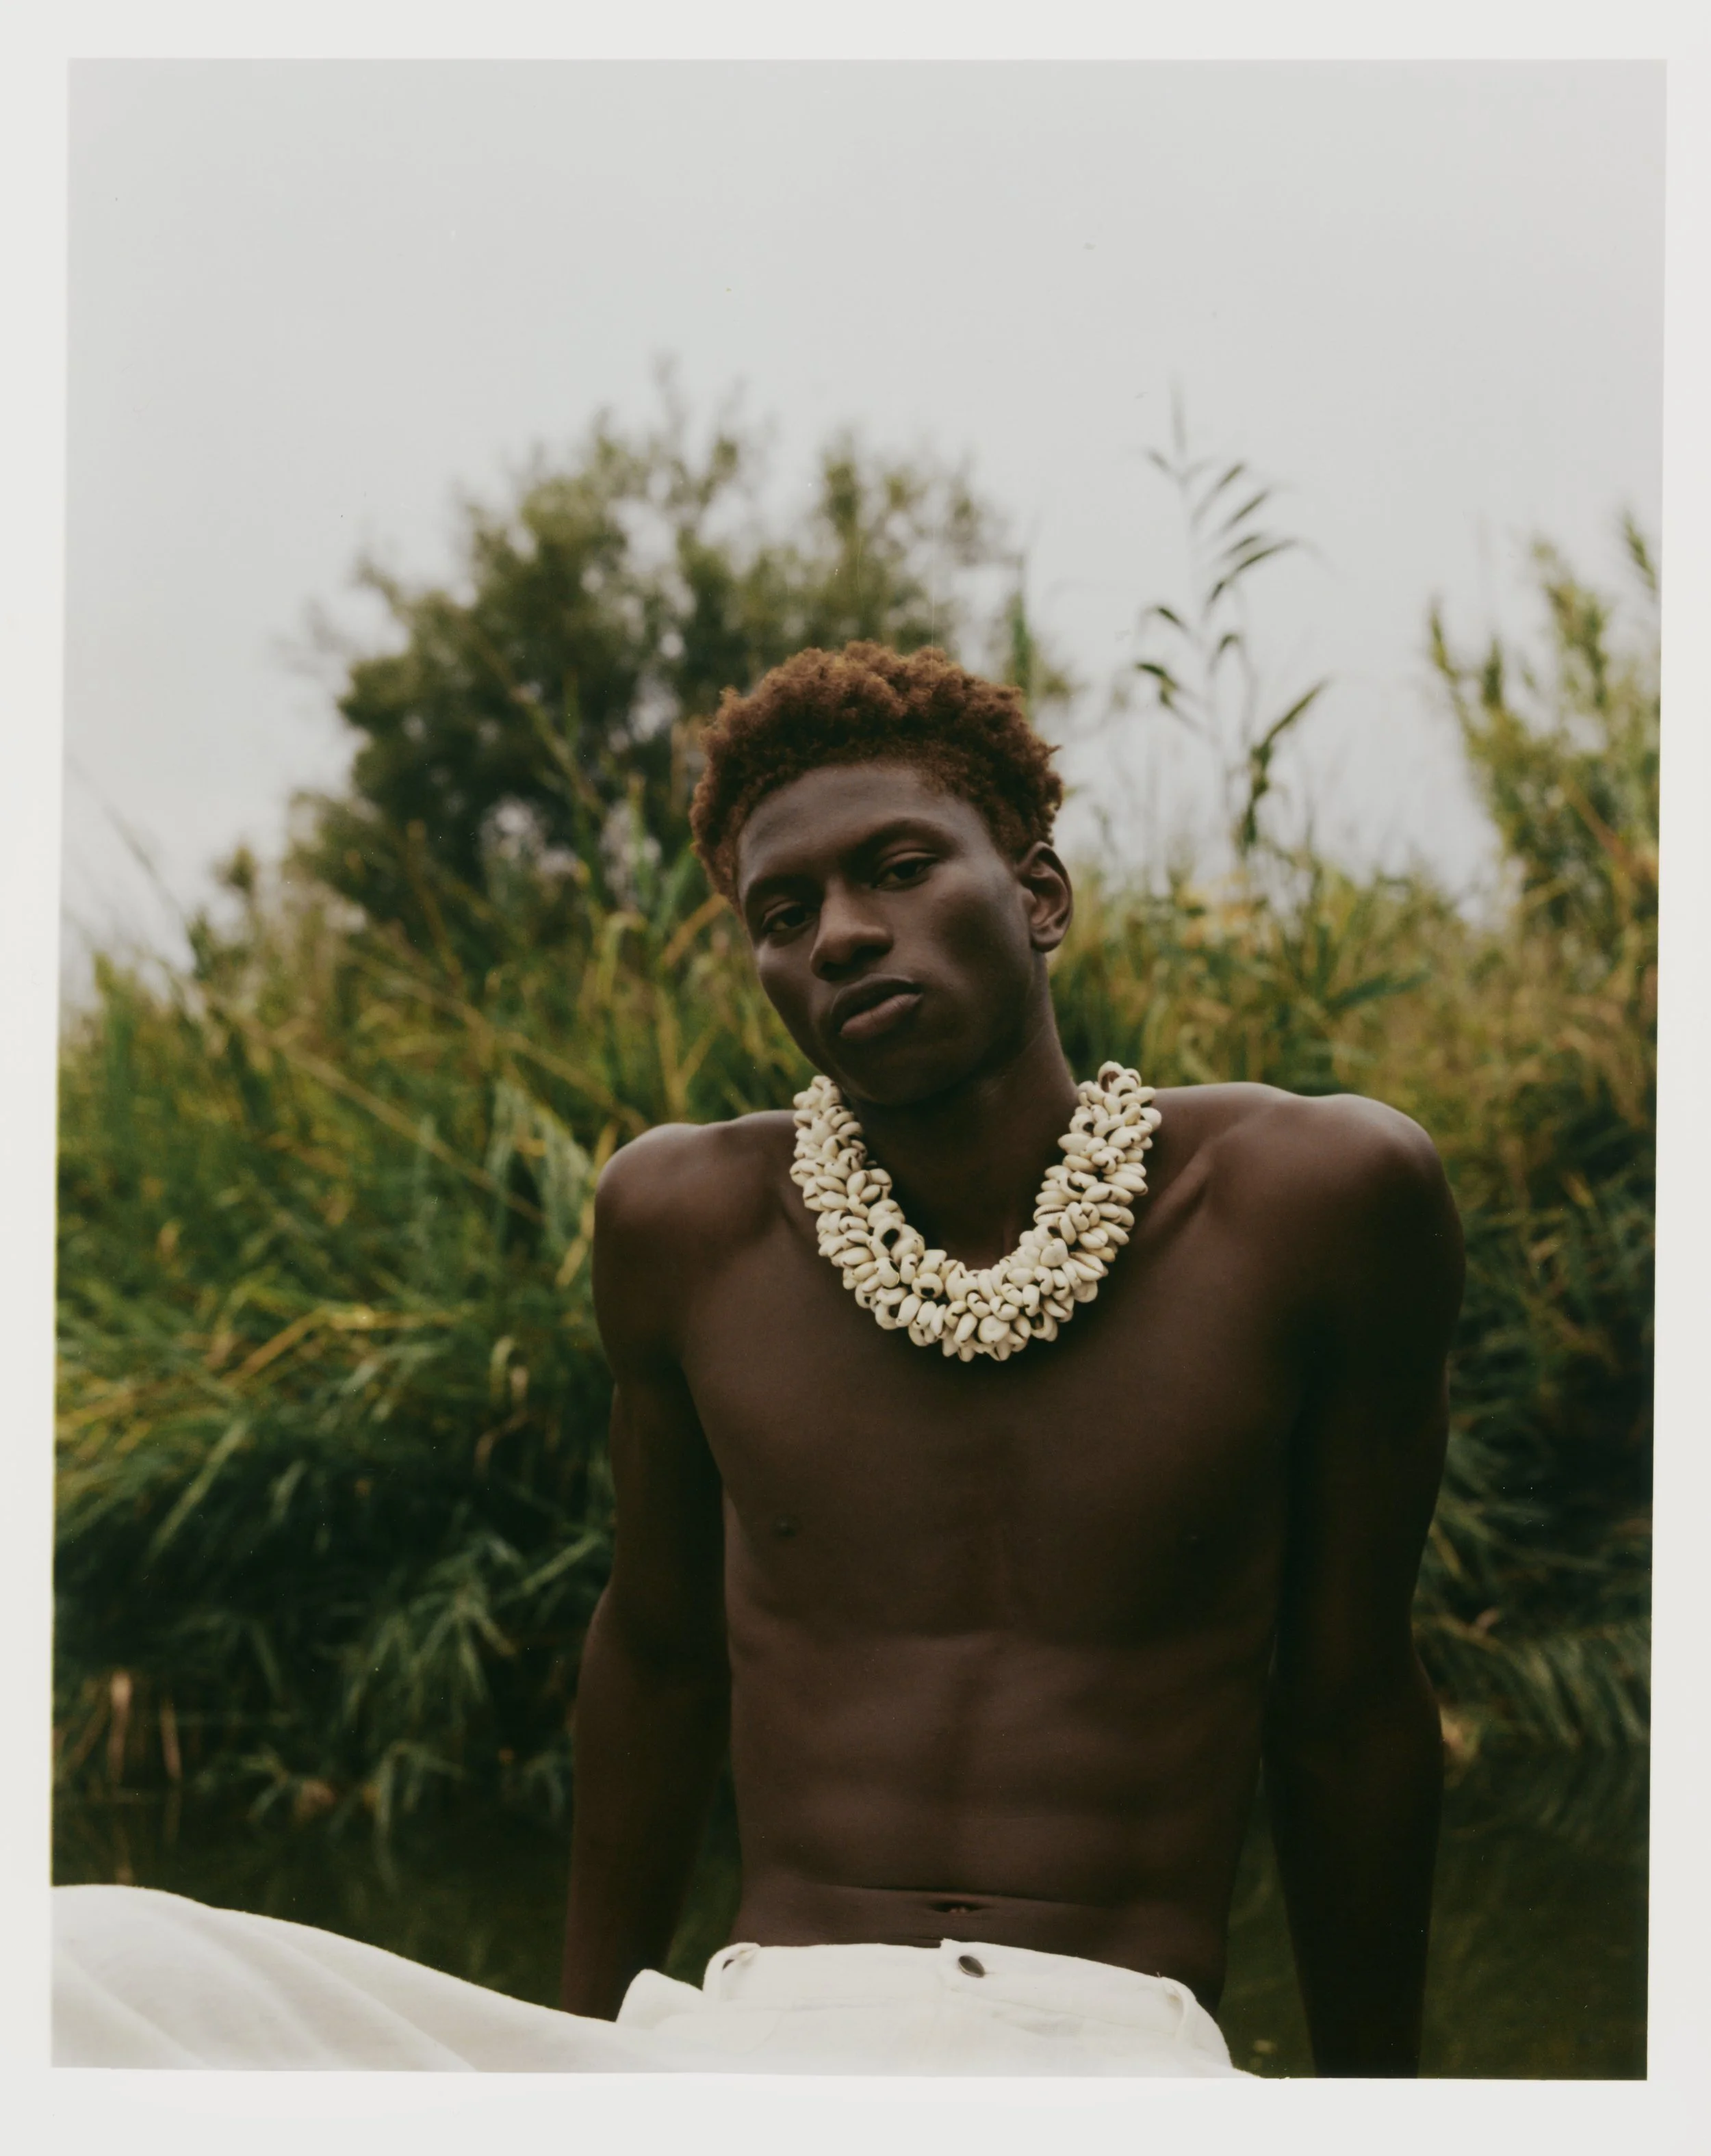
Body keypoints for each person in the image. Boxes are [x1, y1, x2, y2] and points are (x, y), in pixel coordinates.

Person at [53, 642, 1461, 2076]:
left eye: (898, 869)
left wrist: (1370, 2115)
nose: (842, 933)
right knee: (73, 1960)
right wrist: (577, 2065)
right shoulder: (685, 1224)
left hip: (1096, 2045)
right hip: (757, 2038)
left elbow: (1345, 1709)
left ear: (1037, 896)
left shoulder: (1310, 1201)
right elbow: (657, 1659)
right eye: (782, 913)